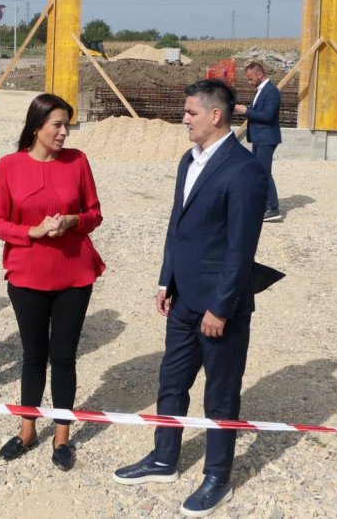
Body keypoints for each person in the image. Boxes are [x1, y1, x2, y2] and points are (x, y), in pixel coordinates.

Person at [113, 79, 268, 517]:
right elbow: (176, 226)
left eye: (190, 113)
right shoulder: (189, 160)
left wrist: (221, 307)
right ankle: (164, 458)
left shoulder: (245, 170)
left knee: (220, 394)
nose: (183, 119)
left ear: (215, 116)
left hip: (219, 309)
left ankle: (217, 476)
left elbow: (240, 248)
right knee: (171, 382)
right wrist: (166, 281)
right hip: (182, 299)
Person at [0, 93, 104, 472]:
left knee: (64, 357)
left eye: (67, 125)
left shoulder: (78, 161)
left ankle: (62, 436)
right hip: (27, 276)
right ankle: (27, 430)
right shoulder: (9, 166)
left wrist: (73, 221)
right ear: (37, 126)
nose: (64, 132)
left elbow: (94, 213)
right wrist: (31, 231)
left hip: (74, 275)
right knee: (33, 356)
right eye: (58, 124)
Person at [234, 61, 282, 222]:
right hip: (259, 137)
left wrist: (246, 111)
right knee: (259, 171)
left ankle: (273, 208)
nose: (249, 82)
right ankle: (263, 204)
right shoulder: (262, 90)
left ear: (260, 75)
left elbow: (267, 116)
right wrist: (246, 110)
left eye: (251, 79)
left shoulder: (272, 92)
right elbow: (260, 111)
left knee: (264, 172)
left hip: (266, 138)